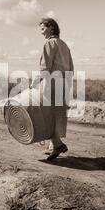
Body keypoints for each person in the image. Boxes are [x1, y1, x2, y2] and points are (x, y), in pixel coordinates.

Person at [33, 18, 74, 161]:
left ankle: (57, 145)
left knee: (46, 115)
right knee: (56, 115)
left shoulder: (49, 43)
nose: (41, 31)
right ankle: (52, 146)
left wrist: (36, 83)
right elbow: (71, 68)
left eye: (43, 28)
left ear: (51, 28)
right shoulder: (64, 45)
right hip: (63, 83)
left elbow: (45, 66)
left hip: (51, 82)